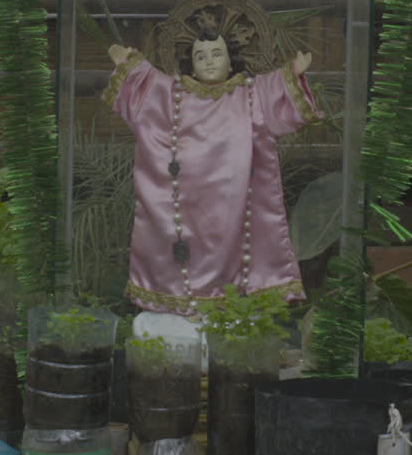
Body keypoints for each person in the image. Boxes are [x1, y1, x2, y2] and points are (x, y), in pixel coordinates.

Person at [103, 29, 319, 314]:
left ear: (231, 63)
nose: (208, 61)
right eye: (200, 56)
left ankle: (237, 305)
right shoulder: (170, 95)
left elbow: (277, 90)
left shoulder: (252, 96)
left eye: (217, 54)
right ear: (190, 65)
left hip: (234, 207)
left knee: (239, 254)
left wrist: (292, 72)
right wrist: (131, 67)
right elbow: (149, 86)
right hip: (185, 212)